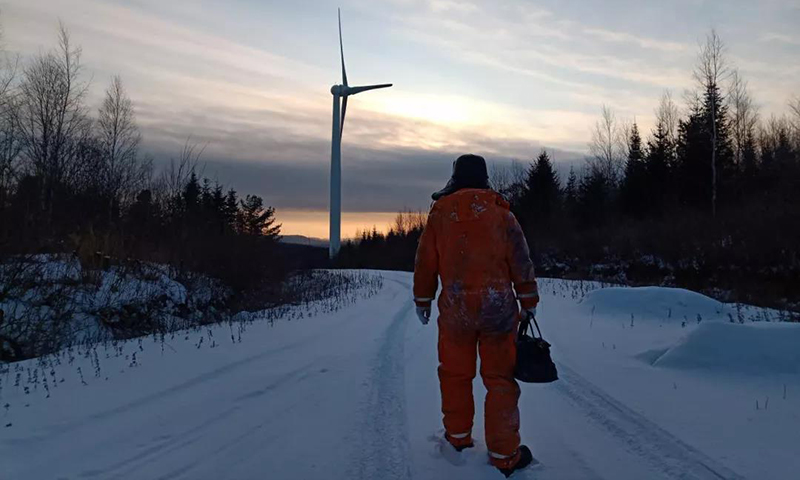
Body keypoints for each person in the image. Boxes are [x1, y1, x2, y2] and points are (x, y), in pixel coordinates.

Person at [413, 154, 539, 477]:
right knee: (500, 380)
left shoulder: (440, 214)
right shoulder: (500, 213)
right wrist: (528, 299)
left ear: (455, 177)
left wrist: (423, 299)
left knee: (455, 374)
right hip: (497, 310)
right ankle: (504, 454)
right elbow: (520, 259)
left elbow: (426, 260)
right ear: (483, 178)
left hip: (456, 313)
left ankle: (457, 438)